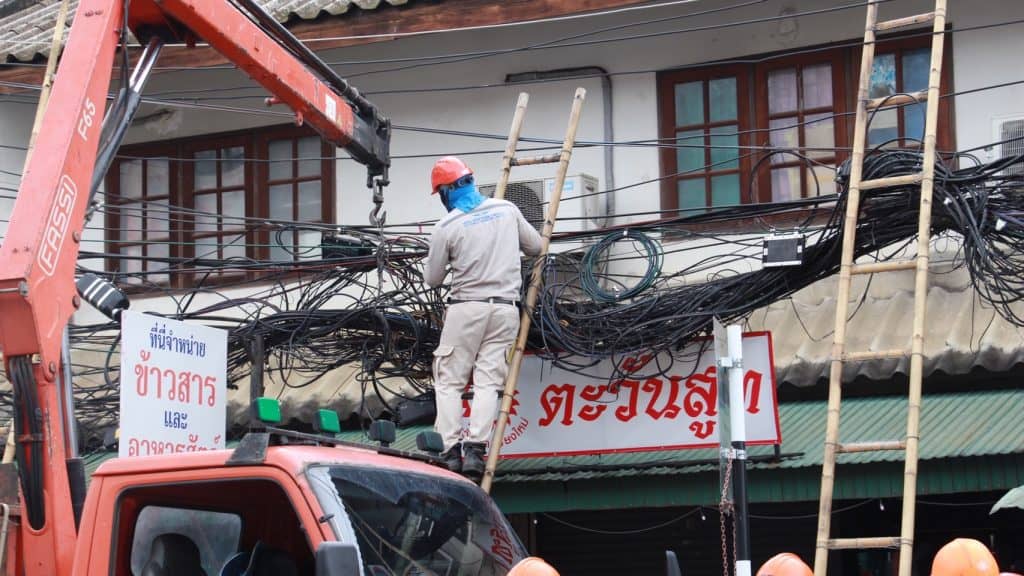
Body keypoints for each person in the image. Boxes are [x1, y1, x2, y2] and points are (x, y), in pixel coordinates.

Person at [424, 156, 543, 478]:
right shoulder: (507, 209)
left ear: (446, 191)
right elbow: (536, 247)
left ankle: (450, 451)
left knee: (449, 381)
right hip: (505, 309)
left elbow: (433, 279)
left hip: (467, 307)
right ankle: (476, 451)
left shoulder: (446, 226)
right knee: (488, 383)